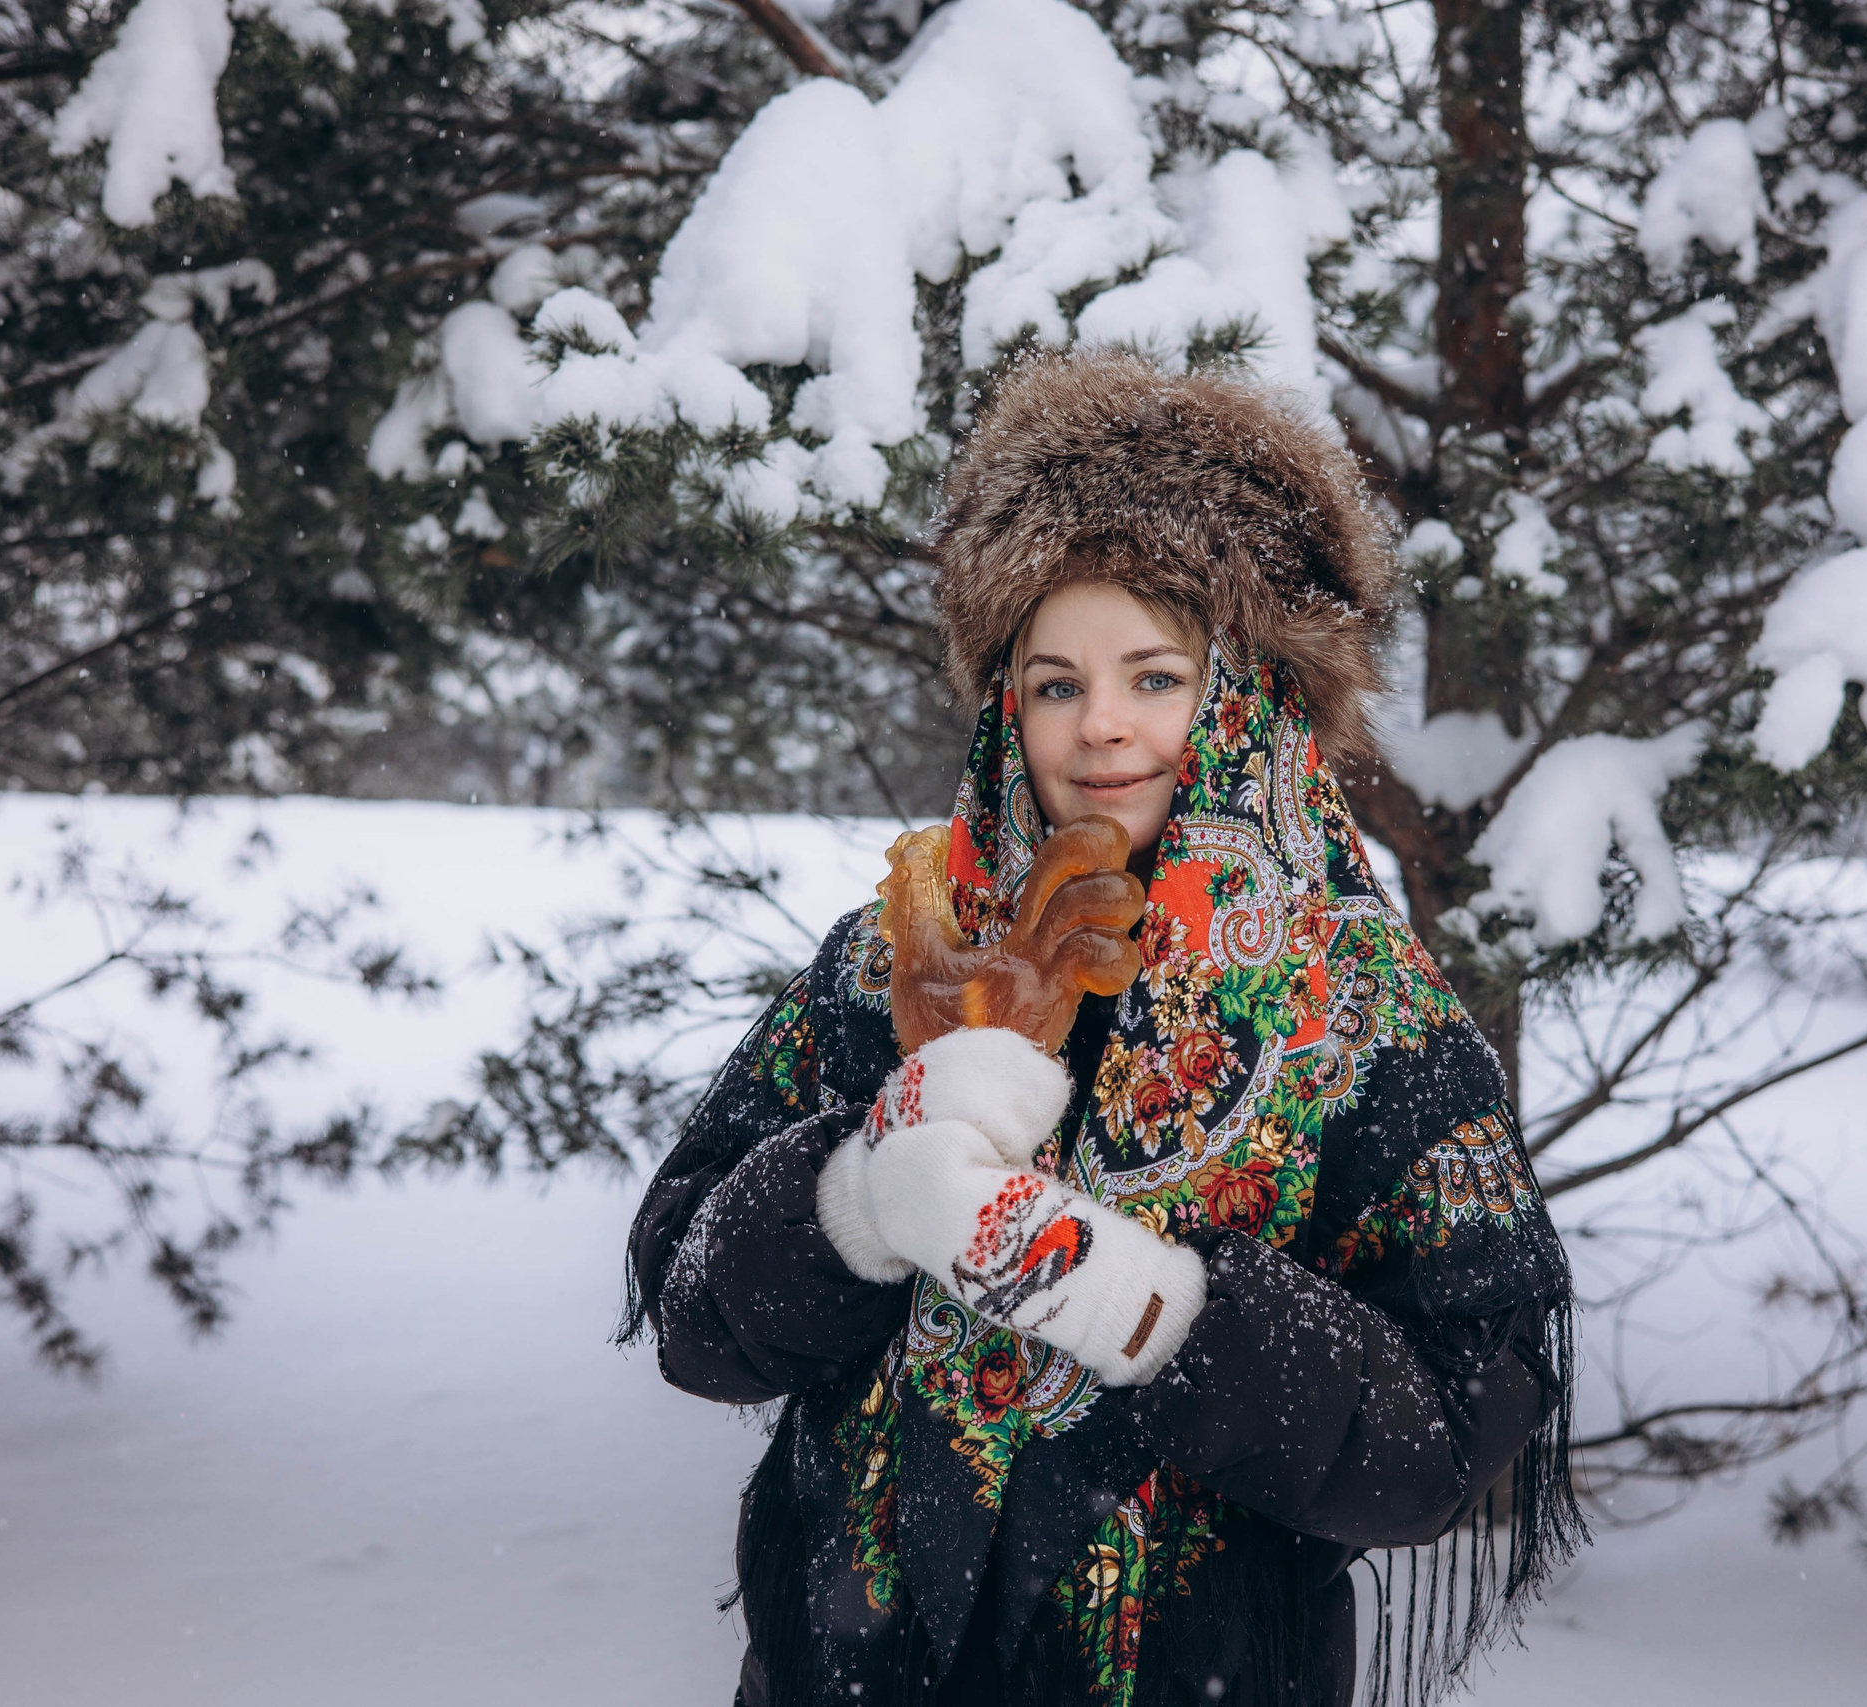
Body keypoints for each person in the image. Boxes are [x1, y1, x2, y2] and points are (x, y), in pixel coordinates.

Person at [622, 349, 1582, 1707]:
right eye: (1057, 680)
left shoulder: (1364, 1009)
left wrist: (1141, 1306)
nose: (1102, 728)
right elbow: (691, 1309)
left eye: (1156, 674)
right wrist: (865, 1196)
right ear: (1005, 696)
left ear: (1249, 691)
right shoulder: (900, 949)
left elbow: (1448, 1426)